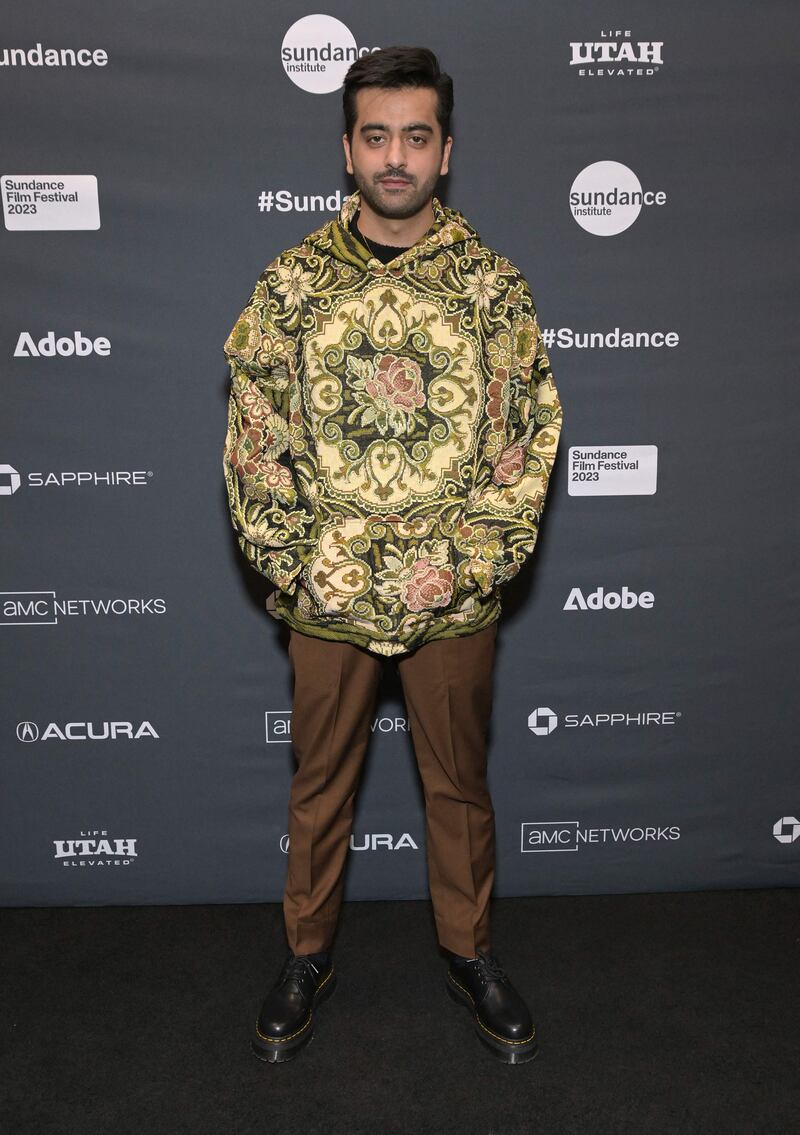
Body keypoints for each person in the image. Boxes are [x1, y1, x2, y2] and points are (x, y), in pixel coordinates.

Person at [222, 46, 562, 1065]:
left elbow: (525, 437)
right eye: (376, 135)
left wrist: (460, 568)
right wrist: (296, 565)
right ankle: (304, 952)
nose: (395, 156)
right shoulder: (289, 285)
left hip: (449, 592)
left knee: (457, 783)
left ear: (445, 151)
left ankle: (469, 951)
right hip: (324, 592)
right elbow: (254, 433)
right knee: (318, 782)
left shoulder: (491, 288)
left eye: (415, 135)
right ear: (346, 149)